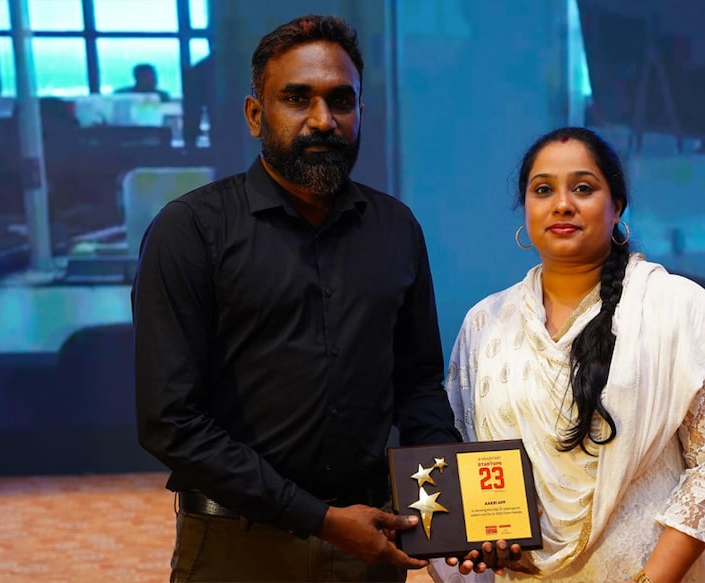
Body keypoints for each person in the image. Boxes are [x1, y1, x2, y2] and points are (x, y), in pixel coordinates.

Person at [132, 14, 462, 582]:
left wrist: (457, 517)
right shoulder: (190, 229)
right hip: (238, 545)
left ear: (360, 111)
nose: (322, 121)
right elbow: (171, 422)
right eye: (297, 99)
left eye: (341, 101)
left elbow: (418, 387)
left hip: (369, 543)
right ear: (255, 113)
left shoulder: (395, 228)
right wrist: (321, 520)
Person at [433, 127, 705, 583]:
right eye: (543, 189)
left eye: (583, 188)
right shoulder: (486, 323)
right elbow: (468, 456)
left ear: (617, 206)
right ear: (525, 209)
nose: (562, 204)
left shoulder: (677, 306)